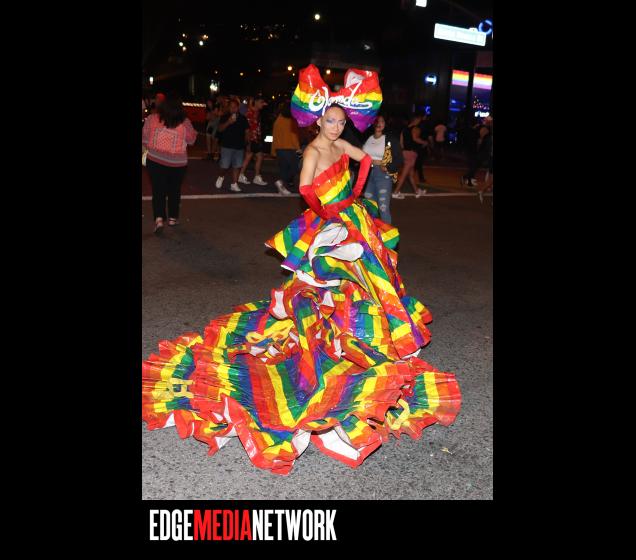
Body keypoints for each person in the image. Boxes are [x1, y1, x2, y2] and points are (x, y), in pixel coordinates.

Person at [142, 65, 461, 474]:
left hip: (350, 217)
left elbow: (366, 160)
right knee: (325, 282)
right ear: (317, 121)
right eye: (330, 121)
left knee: (370, 278)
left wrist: (356, 191)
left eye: (341, 121)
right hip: (329, 223)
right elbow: (307, 189)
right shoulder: (311, 151)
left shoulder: (342, 144)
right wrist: (330, 213)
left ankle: (360, 335)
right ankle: (325, 344)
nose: (336, 127)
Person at [142, 93, 197, 233]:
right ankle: (173, 218)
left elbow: (145, 139)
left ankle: (159, 219)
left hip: (155, 160)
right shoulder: (184, 122)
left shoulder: (152, 118)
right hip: (177, 163)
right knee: (174, 190)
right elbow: (191, 140)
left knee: (158, 190)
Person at [361, 114, 403, 224]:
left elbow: (399, 158)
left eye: (382, 121)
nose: (379, 124)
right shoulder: (368, 138)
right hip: (367, 174)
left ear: (385, 124)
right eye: (377, 121)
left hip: (382, 174)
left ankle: (387, 233)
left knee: (383, 207)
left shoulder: (390, 139)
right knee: (370, 207)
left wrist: (388, 166)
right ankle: (373, 232)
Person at [214, 99, 249, 192]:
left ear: (238, 107)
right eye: (231, 107)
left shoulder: (243, 118)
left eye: (235, 107)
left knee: (237, 166)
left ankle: (234, 184)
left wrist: (247, 142)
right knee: (224, 166)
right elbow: (220, 129)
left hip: (239, 146)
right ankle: (221, 176)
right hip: (227, 146)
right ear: (228, 108)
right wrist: (228, 122)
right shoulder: (225, 117)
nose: (233, 109)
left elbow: (247, 131)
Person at [393, 113, 427, 199]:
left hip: (405, 152)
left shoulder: (404, 129)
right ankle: (396, 192)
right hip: (411, 153)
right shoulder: (415, 128)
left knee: (411, 175)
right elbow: (415, 138)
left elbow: (401, 143)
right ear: (416, 120)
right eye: (419, 120)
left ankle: (416, 191)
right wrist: (424, 142)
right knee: (404, 174)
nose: (420, 122)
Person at [238, 96, 269, 186]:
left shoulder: (257, 112)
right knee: (259, 156)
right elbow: (247, 128)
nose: (263, 104)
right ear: (255, 102)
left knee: (249, 156)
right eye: (261, 102)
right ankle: (256, 177)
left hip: (255, 138)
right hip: (251, 138)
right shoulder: (250, 112)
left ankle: (241, 175)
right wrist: (248, 141)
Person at [271, 102, 301, 195]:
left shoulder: (278, 120)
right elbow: (294, 136)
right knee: (295, 168)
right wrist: (298, 148)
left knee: (284, 169)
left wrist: (273, 150)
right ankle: (281, 182)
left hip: (279, 149)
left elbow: (275, 136)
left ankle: (281, 188)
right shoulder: (291, 121)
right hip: (290, 149)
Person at [462, 116, 492, 188]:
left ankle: (468, 179)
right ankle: (466, 178)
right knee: (475, 166)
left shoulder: (483, 128)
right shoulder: (484, 128)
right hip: (480, 151)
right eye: (490, 121)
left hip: (480, 150)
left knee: (476, 166)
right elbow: (480, 140)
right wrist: (478, 150)